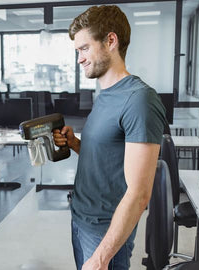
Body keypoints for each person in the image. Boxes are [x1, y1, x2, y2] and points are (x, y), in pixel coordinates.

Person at [53, 5, 167, 270]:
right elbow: (108, 157)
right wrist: (75, 144)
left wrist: (102, 257)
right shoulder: (106, 94)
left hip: (105, 231)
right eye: (77, 52)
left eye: (84, 49)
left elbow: (140, 194)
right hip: (81, 219)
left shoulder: (139, 100)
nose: (79, 58)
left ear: (111, 41)